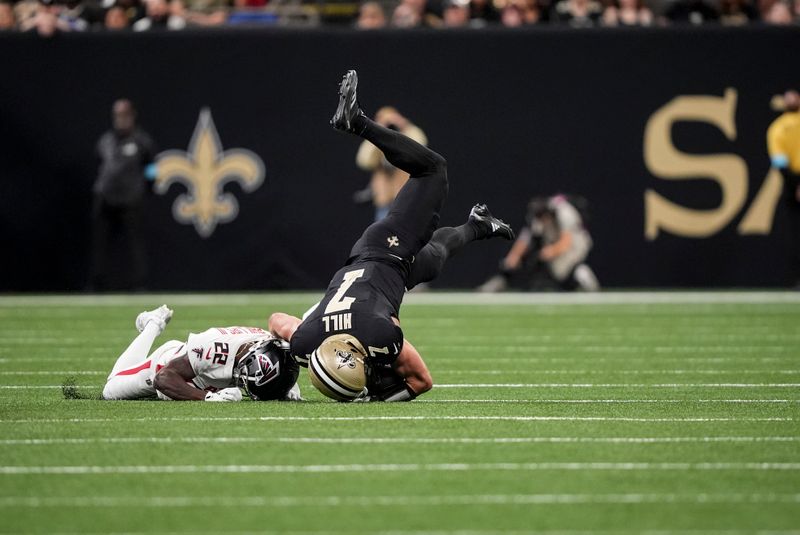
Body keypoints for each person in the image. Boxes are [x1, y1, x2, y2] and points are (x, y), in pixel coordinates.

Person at [269, 70, 515, 402]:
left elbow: (421, 380)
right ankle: (478, 225)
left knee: (433, 169)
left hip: (385, 250)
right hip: (377, 265)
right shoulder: (305, 343)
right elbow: (277, 321)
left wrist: (376, 390)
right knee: (434, 257)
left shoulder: (378, 335)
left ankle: (357, 122)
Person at [103, 305, 302, 401]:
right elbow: (163, 378)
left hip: (207, 374)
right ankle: (153, 324)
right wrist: (206, 397)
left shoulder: (269, 347)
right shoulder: (215, 347)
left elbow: (280, 360)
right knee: (110, 391)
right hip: (169, 364)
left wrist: (285, 386)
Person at [89, 99, 156, 291]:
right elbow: (99, 164)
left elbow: (152, 169)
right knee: (100, 244)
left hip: (131, 200)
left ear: (132, 115)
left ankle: (139, 284)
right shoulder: (106, 140)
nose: (121, 119)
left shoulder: (142, 141)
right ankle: (97, 283)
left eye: (124, 115)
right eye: (118, 115)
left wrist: (145, 190)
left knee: (135, 244)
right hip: (105, 198)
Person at [480, 194, 599, 292]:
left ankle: (582, 275)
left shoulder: (565, 212)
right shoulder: (538, 216)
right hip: (557, 242)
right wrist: (514, 256)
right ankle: (501, 281)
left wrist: (550, 251)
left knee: (561, 272)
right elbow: (526, 239)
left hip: (576, 244)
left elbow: (566, 241)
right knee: (532, 257)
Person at [354, 107, 428, 221]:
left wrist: (404, 126)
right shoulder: (376, 141)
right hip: (384, 201)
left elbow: (421, 146)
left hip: (407, 201)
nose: (389, 124)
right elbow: (364, 161)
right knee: (383, 236)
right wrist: (375, 132)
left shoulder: (408, 135)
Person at [767, 89, 800, 288]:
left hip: (793, 184)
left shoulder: (777, 128)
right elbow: (780, 162)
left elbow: (780, 164)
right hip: (793, 185)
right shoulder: (778, 128)